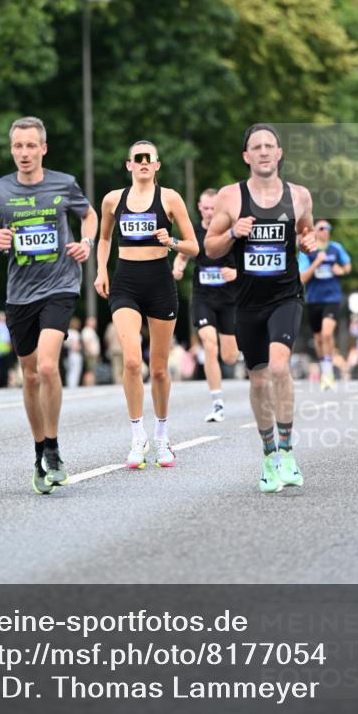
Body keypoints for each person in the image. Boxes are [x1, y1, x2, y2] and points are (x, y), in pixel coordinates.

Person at [0, 116, 97, 493]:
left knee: (46, 365)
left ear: (43, 148)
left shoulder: (64, 184)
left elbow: (89, 216)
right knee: (28, 375)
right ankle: (40, 450)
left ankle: (55, 448)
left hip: (60, 286)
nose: (24, 153)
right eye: (18, 146)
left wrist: (86, 244)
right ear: (11, 149)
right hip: (19, 294)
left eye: (31, 146)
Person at [204, 123, 317, 493]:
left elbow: (306, 230)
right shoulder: (230, 197)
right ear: (246, 156)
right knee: (258, 377)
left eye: (270, 145)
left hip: (286, 296)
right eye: (257, 146)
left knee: (280, 367)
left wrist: (309, 239)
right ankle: (269, 454)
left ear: (279, 153)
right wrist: (233, 232)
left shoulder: (299, 195)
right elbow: (210, 247)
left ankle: (287, 451)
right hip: (247, 302)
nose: (264, 151)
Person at [94, 139, 198, 470]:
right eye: (136, 159)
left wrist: (174, 242)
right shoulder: (113, 200)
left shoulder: (169, 198)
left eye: (148, 159)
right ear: (128, 165)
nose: (142, 163)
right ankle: (137, 436)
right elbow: (105, 238)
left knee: (158, 368)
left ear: (156, 165)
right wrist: (100, 271)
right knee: (132, 362)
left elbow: (194, 245)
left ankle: (162, 435)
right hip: (125, 282)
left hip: (159, 283)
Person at [173, 187, 238, 422]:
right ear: (200, 207)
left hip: (229, 300)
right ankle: (217, 403)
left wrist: (236, 272)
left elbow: (247, 260)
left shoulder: (231, 231)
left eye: (214, 208)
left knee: (230, 356)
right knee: (209, 344)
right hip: (203, 299)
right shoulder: (195, 231)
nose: (210, 212)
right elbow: (184, 251)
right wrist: (178, 266)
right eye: (206, 208)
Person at [298, 219, 352, 390]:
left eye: (327, 228)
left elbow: (348, 266)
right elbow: (302, 278)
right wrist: (316, 263)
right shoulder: (307, 251)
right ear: (315, 231)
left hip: (332, 298)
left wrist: (342, 270)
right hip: (314, 299)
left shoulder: (336, 248)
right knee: (319, 338)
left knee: (327, 334)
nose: (324, 231)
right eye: (321, 228)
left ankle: (328, 374)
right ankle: (325, 368)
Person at [63, 317, 83, 388]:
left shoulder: (67, 332)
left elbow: (65, 344)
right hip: (75, 354)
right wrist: (80, 347)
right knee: (76, 370)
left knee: (69, 371)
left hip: (68, 354)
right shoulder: (75, 333)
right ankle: (74, 385)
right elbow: (75, 346)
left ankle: (70, 385)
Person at [81, 316, 101, 385]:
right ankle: (89, 384)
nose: (94, 323)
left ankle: (90, 384)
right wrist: (92, 352)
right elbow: (87, 342)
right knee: (90, 370)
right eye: (92, 321)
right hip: (90, 354)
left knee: (91, 370)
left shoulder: (90, 330)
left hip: (91, 354)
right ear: (87, 322)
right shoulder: (87, 330)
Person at [103, 320, 123, 384]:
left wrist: (109, 347)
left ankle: (118, 383)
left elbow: (107, 339)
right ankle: (124, 382)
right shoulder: (125, 324)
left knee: (116, 367)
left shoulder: (111, 326)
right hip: (123, 349)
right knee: (124, 367)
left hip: (114, 350)